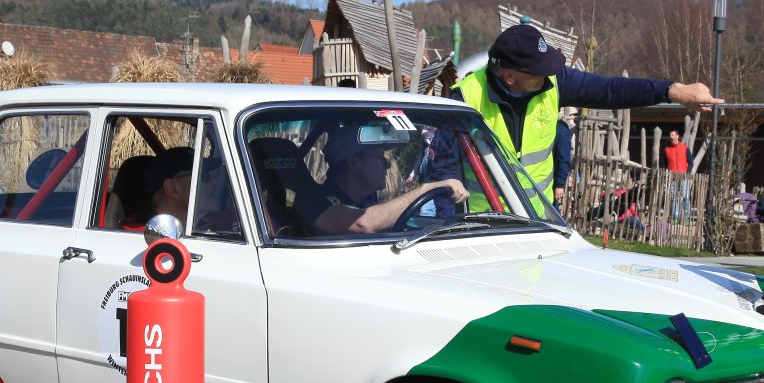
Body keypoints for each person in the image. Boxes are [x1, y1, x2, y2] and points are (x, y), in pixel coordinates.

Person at [450, 24, 720, 213]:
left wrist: (672, 90)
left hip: (537, 225)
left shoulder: (556, 82)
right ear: (510, 77)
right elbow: (444, 172)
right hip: (485, 229)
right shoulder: (463, 99)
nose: (548, 74)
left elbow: (610, 90)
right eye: (539, 71)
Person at [297, 126, 466, 235]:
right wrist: (425, 189)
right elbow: (362, 223)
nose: (388, 164)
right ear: (354, 162)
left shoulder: (367, 199)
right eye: (379, 156)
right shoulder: (313, 200)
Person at [663, 128, 691, 221]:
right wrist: (666, 174)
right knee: (673, 197)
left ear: (677, 136)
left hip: (683, 176)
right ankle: (675, 216)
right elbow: (664, 164)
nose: (671, 137)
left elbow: (691, 162)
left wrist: (688, 173)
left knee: (685, 197)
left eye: (673, 135)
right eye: (670, 135)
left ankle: (687, 217)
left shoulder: (685, 148)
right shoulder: (667, 150)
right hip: (672, 178)